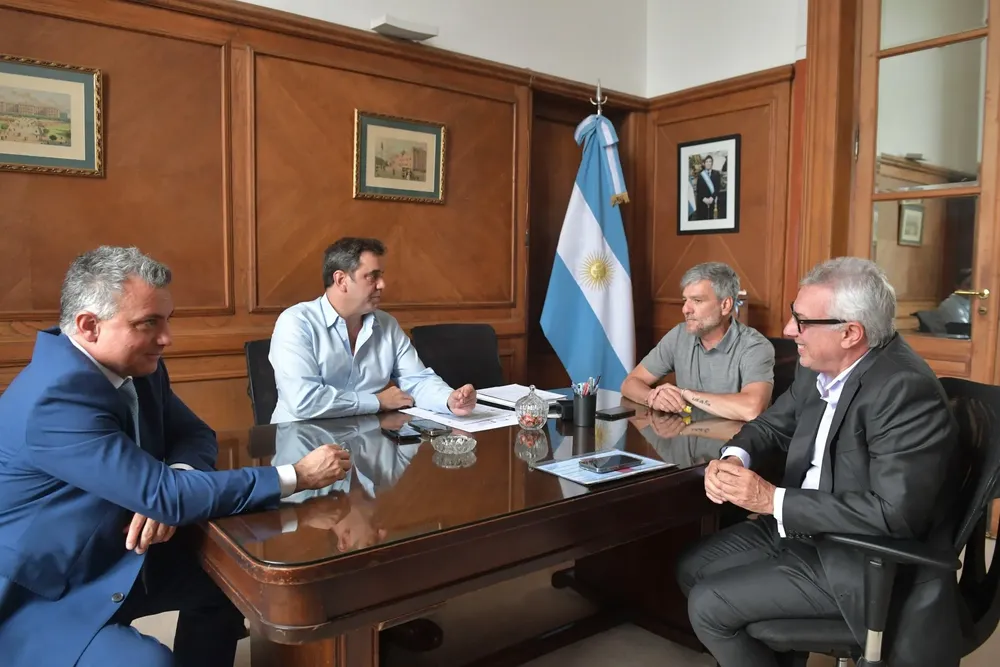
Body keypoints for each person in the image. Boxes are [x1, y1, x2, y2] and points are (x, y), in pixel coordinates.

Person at [0, 246, 352, 667]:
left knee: (235, 586)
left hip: (115, 552)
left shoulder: (137, 366)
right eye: (149, 323)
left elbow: (195, 435)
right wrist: (296, 475)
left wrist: (174, 480)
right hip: (46, 593)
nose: (167, 338)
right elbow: (165, 495)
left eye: (167, 320)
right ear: (89, 325)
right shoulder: (54, 399)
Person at [676, 257, 962, 667]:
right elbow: (770, 425)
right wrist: (735, 458)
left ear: (850, 333)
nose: (789, 330)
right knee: (692, 567)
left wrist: (772, 500)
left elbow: (894, 514)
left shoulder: (903, 389)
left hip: (859, 556)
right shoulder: (817, 366)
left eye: (802, 321)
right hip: (801, 525)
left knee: (709, 604)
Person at [268, 237, 477, 423]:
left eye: (381, 276)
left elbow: (417, 380)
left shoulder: (386, 324)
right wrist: (378, 401)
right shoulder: (296, 322)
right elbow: (304, 400)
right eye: (372, 276)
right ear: (341, 280)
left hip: (365, 439)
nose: (382, 284)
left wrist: (449, 400)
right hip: (303, 441)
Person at [620, 262, 774, 422]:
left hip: (736, 437)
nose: (685, 309)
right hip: (685, 433)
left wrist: (685, 394)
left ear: (725, 305)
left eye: (697, 300)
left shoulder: (755, 346)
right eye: (685, 300)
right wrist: (653, 397)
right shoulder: (679, 335)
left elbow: (752, 409)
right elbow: (629, 383)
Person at [695, 155, 723, 220]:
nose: (708, 163)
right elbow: (698, 190)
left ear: (712, 163)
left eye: (710, 161)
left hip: (713, 200)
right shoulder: (701, 175)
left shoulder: (716, 174)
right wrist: (704, 199)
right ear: (704, 163)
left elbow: (717, 188)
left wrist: (712, 198)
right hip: (703, 201)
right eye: (707, 162)